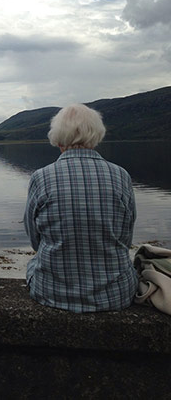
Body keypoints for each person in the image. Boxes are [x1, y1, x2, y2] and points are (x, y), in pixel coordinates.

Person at [23, 104, 138, 313]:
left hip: (50, 292)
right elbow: (125, 238)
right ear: (96, 135)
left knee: (33, 263)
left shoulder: (41, 177)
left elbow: (35, 241)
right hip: (115, 295)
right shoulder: (121, 176)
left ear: (57, 138)